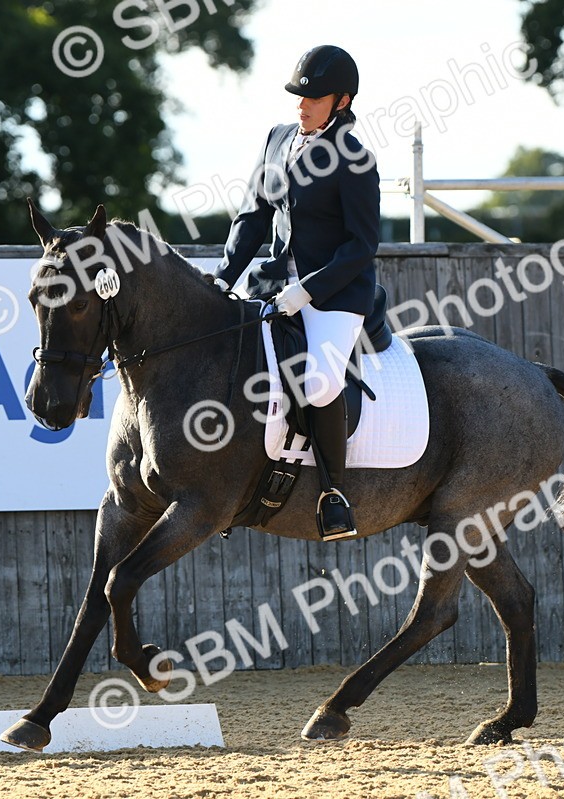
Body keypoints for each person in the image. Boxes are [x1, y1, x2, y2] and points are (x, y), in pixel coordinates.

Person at [212, 45, 380, 541]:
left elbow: (361, 246)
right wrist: (222, 277)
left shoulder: (355, 159)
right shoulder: (278, 139)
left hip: (335, 294)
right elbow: (253, 216)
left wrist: (306, 291)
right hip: (272, 283)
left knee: (321, 384)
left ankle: (334, 494)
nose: (302, 107)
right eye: (298, 98)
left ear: (342, 101)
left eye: (314, 99)